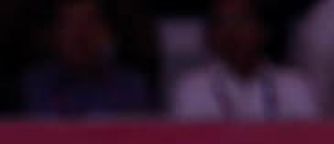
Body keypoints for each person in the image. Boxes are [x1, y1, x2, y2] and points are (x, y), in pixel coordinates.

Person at [172, 0, 318, 121]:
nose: (232, 32)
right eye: (223, 23)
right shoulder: (192, 89)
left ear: (263, 30)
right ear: (210, 34)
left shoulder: (293, 87)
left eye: (241, 21)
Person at [21, 0, 152, 118]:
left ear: (107, 31)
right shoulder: (35, 86)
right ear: (54, 33)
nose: (81, 34)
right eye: (70, 23)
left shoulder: (131, 87)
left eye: (90, 21)